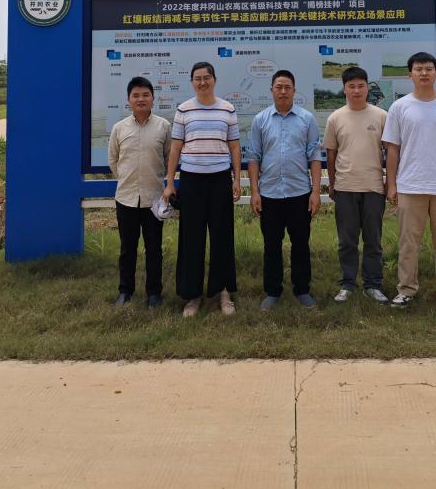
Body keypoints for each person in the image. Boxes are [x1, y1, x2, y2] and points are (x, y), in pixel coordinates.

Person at [382, 52, 436, 309]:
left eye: (429, 68)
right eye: (419, 69)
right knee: (409, 243)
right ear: (410, 74)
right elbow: (393, 149)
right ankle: (406, 289)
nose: (424, 73)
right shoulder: (400, 107)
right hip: (410, 185)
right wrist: (391, 184)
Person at [163, 62, 241, 317]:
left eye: (206, 77)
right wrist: (170, 182)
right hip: (192, 181)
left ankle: (224, 293)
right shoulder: (183, 110)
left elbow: (234, 147)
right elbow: (176, 148)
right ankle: (192, 295)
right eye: (197, 78)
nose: (202, 82)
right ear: (192, 82)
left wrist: (236, 180)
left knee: (222, 238)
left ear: (214, 80)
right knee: (191, 240)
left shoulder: (227, 109)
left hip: (220, 180)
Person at [248, 70, 322, 310]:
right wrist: (255, 192)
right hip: (269, 194)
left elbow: (314, 157)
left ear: (294, 90)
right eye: (278, 87)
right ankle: (273, 291)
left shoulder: (306, 119)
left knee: (301, 244)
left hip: (299, 193)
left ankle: (302, 290)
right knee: (271, 245)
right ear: (271, 90)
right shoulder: (260, 120)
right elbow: (254, 158)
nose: (283, 91)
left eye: (287, 87)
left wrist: (315, 192)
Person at [323, 66, 389, 304]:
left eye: (361, 86)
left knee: (373, 240)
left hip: (373, 188)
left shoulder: (381, 116)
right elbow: (331, 155)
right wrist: (332, 184)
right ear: (344, 89)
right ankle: (347, 284)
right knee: (347, 241)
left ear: (367, 87)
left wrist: (389, 183)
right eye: (351, 86)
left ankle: (373, 284)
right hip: (345, 188)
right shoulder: (335, 118)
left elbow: (390, 152)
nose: (356, 90)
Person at [108, 76, 171, 307]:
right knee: (127, 249)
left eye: (145, 95)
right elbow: (113, 160)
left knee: (154, 249)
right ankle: (125, 291)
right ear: (129, 100)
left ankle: (154, 293)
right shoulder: (119, 128)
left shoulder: (163, 126)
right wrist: (127, 178)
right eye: (136, 95)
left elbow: (169, 158)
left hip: (154, 199)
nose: (140, 99)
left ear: (153, 98)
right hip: (126, 198)